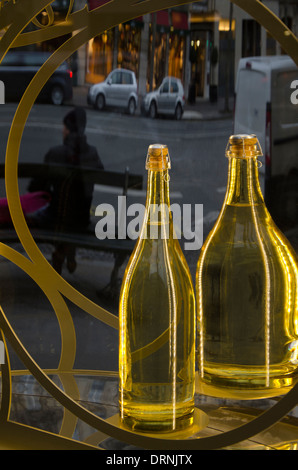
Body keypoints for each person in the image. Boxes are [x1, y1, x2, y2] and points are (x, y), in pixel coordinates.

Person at [28, 106, 104, 274]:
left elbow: (35, 186)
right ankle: (67, 251)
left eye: (64, 127)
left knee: (53, 212)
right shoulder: (92, 153)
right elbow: (99, 176)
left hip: (56, 219)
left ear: (69, 130)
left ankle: (60, 253)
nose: (62, 131)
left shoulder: (56, 153)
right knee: (73, 212)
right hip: (81, 219)